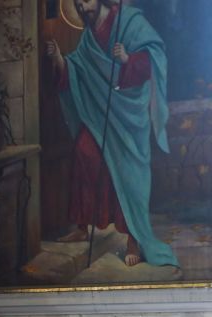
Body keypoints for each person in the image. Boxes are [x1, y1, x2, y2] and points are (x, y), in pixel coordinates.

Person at [44, 0, 175, 269]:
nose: (81, 5)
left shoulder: (129, 22)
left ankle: (134, 239)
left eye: (86, 0)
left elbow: (156, 56)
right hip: (100, 114)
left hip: (129, 116)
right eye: (77, 2)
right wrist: (58, 58)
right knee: (83, 149)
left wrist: (128, 59)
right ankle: (83, 224)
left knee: (128, 174)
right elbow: (78, 69)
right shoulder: (88, 35)